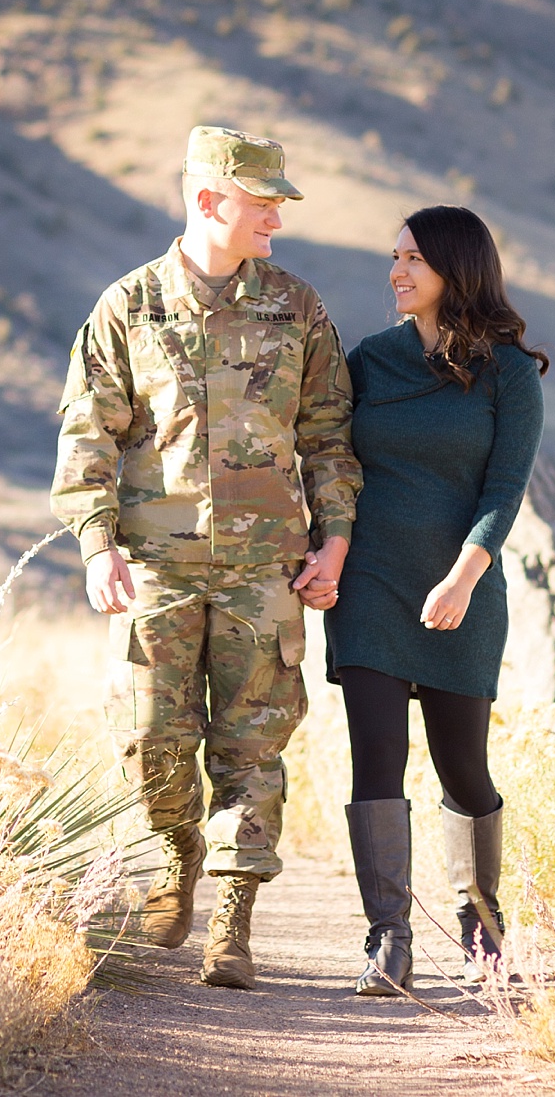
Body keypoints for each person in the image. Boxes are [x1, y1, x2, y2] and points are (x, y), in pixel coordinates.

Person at [51, 125, 362, 989]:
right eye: (261, 203)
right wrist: (95, 544)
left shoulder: (297, 309)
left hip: (267, 570)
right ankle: (175, 849)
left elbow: (329, 435)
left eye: (276, 203)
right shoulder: (130, 306)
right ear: (207, 199)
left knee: (253, 745)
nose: (275, 218)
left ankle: (232, 919)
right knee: (152, 739)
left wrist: (334, 540)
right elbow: (89, 435)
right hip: (155, 565)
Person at [322, 204, 548, 996]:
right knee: (376, 755)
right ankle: (388, 939)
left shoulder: (511, 372)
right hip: (372, 589)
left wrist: (463, 574)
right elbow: (331, 461)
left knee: (464, 770)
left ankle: (482, 928)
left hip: (463, 589)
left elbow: (504, 486)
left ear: (457, 267)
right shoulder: (369, 363)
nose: (397, 271)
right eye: (394, 257)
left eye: (414, 258)